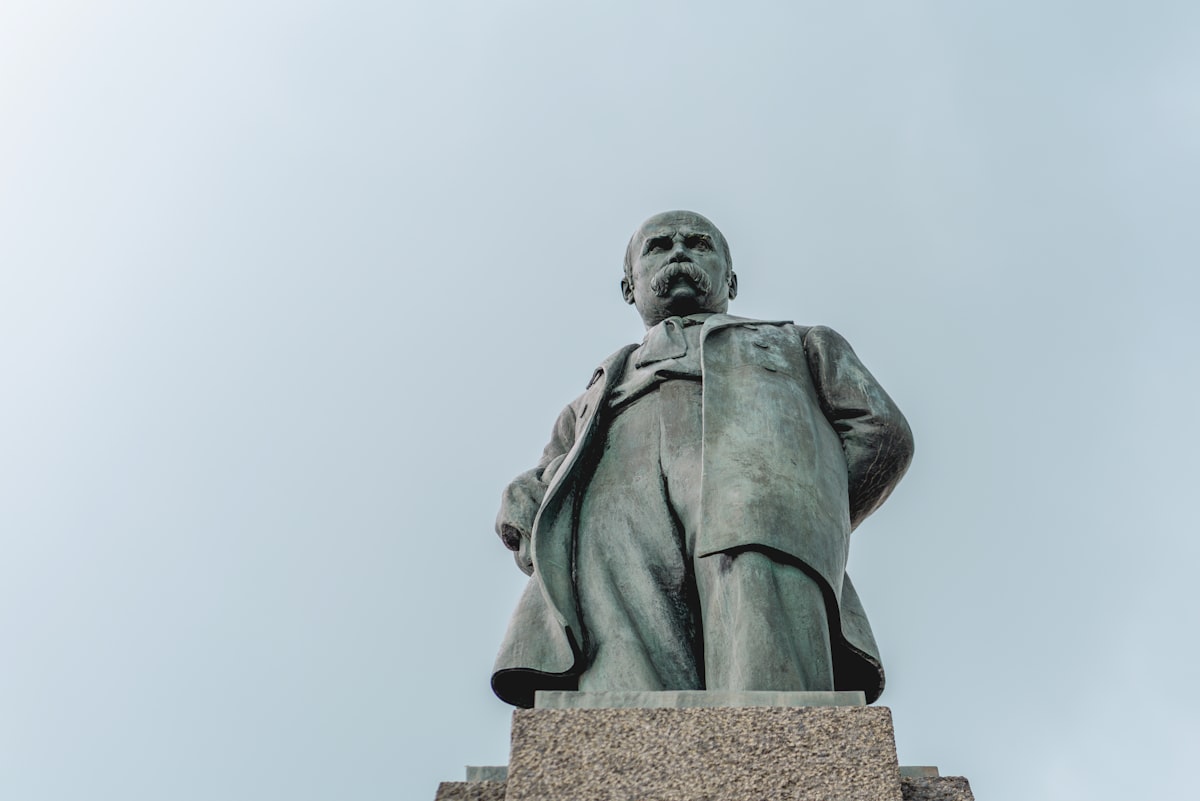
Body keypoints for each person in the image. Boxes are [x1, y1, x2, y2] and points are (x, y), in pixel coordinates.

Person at [491, 210, 913, 708]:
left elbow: (882, 433)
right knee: (623, 711)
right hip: (613, 525)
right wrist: (527, 495)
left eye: (697, 243)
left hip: (753, 510)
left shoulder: (799, 342)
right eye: (659, 246)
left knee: (772, 704)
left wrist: (804, 510)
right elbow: (552, 474)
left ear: (730, 278)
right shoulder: (591, 396)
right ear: (630, 286)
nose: (679, 252)